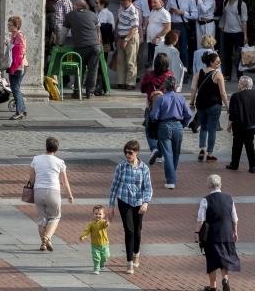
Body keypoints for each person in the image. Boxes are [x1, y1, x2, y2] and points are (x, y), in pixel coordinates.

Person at [107, 140, 152, 275]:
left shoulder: (144, 168)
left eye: (130, 153)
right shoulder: (121, 167)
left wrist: (145, 202)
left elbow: (148, 187)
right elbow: (114, 186)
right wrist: (111, 205)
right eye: (126, 152)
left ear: (136, 152)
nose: (127, 155)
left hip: (138, 202)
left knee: (137, 231)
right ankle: (129, 262)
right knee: (129, 231)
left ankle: (136, 253)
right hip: (124, 200)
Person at [29, 137, 75, 252]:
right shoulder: (60, 162)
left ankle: (43, 244)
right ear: (56, 149)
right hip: (53, 192)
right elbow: (64, 182)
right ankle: (47, 237)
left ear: (46, 146)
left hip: (38, 191)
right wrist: (69, 195)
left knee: (42, 219)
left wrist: (35, 187)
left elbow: (31, 178)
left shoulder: (36, 159)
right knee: (55, 217)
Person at [197, 174, 240, 291]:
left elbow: (201, 220)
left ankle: (213, 287)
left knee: (212, 261)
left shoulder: (205, 200)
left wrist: (198, 234)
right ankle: (225, 279)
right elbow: (234, 218)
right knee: (225, 259)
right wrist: (235, 232)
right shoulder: (229, 198)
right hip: (227, 234)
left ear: (208, 186)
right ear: (220, 185)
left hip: (212, 236)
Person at [150, 76, 194, 188]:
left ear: (165, 86)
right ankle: (172, 174)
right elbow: (189, 115)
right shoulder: (181, 98)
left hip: (164, 126)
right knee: (176, 152)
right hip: (178, 125)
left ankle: (171, 180)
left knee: (167, 153)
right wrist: (183, 124)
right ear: (175, 86)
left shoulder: (161, 98)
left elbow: (154, 116)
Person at [190, 52, 229, 163]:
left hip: (201, 104)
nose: (219, 63)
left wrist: (191, 103)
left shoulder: (198, 74)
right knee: (212, 130)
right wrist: (227, 106)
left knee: (203, 127)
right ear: (211, 62)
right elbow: (223, 93)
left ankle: (202, 149)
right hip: (214, 104)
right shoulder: (218, 74)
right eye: (217, 62)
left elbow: (193, 90)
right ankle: (210, 153)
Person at [226, 76, 255, 173]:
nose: (238, 84)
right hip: (251, 124)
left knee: (236, 145)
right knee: (250, 145)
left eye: (239, 82)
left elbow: (233, 113)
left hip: (238, 125)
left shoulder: (235, 96)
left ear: (242, 84)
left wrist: (229, 125)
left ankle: (234, 164)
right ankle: (252, 166)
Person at [140, 54, 174, 164]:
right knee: (162, 129)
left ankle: (154, 148)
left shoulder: (149, 75)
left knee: (149, 128)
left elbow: (142, 89)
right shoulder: (170, 75)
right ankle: (161, 153)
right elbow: (174, 90)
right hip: (166, 107)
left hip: (152, 106)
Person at [63, 0, 101, 98]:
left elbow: (63, 32)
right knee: (93, 70)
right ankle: (90, 92)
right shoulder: (93, 15)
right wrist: (98, 43)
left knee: (79, 69)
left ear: (75, 6)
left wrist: (59, 43)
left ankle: (77, 91)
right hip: (95, 46)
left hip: (82, 46)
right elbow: (98, 31)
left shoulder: (70, 15)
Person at [220, 0, 248, 81]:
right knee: (227, 54)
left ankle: (240, 75)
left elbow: (244, 21)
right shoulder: (226, 3)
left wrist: (245, 35)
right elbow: (224, 16)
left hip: (238, 32)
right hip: (227, 32)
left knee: (239, 55)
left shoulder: (241, 4)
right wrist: (222, 26)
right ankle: (227, 74)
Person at [115, 0, 140, 90]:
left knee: (131, 61)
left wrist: (126, 39)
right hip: (122, 37)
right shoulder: (121, 9)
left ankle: (130, 83)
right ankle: (121, 82)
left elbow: (134, 27)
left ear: (129, 1)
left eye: (123, 0)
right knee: (120, 60)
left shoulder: (132, 10)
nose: (121, 2)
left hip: (130, 38)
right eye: (120, 0)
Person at [6, 16, 28, 120]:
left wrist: (10, 46)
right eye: (8, 24)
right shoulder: (13, 35)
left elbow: (22, 49)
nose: (8, 26)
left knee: (15, 88)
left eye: (10, 25)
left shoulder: (19, 35)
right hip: (14, 65)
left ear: (16, 26)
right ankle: (22, 110)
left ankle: (19, 111)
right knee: (16, 88)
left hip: (18, 66)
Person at [79, 205, 110, 275]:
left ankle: (102, 262)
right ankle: (96, 269)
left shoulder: (103, 222)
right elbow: (87, 231)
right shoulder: (91, 224)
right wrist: (83, 236)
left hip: (105, 244)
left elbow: (105, 225)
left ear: (103, 215)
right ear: (93, 214)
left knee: (106, 256)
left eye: (100, 214)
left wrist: (107, 223)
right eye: (96, 214)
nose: (98, 215)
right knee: (96, 257)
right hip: (95, 245)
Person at [145, 0, 172, 65]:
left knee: (159, 63)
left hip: (159, 42)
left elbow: (168, 28)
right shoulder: (153, 11)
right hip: (151, 41)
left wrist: (157, 37)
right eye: (152, 2)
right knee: (153, 61)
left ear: (161, 2)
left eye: (155, 2)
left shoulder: (165, 13)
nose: (152, 4)